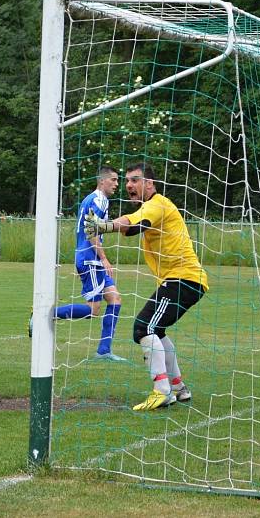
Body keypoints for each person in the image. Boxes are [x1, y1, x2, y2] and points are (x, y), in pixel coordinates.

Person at [85, 163, 208, 411]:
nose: (129, 185)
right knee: (157, 331)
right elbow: (133, 227)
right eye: (127, 181)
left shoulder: (157, 203)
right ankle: (178, 387)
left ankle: (161, 391)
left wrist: (105, 225)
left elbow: (132, 222)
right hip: (185, 280)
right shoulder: (151, 208)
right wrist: (111, 226)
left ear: (149, 184)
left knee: (143, 328)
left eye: (135, 180)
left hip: (182, 279)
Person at [41, 167, 124, 361]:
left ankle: (104, 351)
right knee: (93, 310)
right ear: (102, 181)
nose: (116, 184)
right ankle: (44, 315)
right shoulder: (99, 199)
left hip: (88, 257)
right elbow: (90, 229)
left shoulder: (92, 199)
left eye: (117, 180)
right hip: (90, 259)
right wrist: (103, 258)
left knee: (115, 299)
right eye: (113, 180)